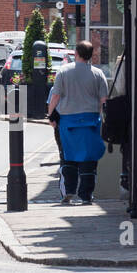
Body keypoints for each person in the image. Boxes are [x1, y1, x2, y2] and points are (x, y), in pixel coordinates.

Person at [47, 40, 109, 205]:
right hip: (90, 120)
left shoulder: (63, 71)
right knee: (89, 158)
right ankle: (86, 195)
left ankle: (69, 191)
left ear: (76, 53)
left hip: (68, 121)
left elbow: (56, 96)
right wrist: (102, 119)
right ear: (91, 55)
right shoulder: (98, 74)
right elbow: (104, 100)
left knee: (69, 157)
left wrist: (50, 114)